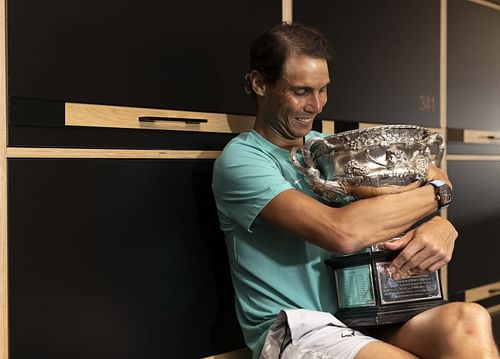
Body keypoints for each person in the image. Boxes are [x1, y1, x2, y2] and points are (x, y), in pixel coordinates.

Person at [212, 22, 499, 359]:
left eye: (323, 89)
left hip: (363, 314)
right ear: (260, 84)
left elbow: (432, 174)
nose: (317, 105)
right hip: (302, 328)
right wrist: (436, 197)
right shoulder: (243, 160)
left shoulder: (327, 148)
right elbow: (342, 233)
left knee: (470, 319)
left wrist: (437, 224)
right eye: (302, 91)